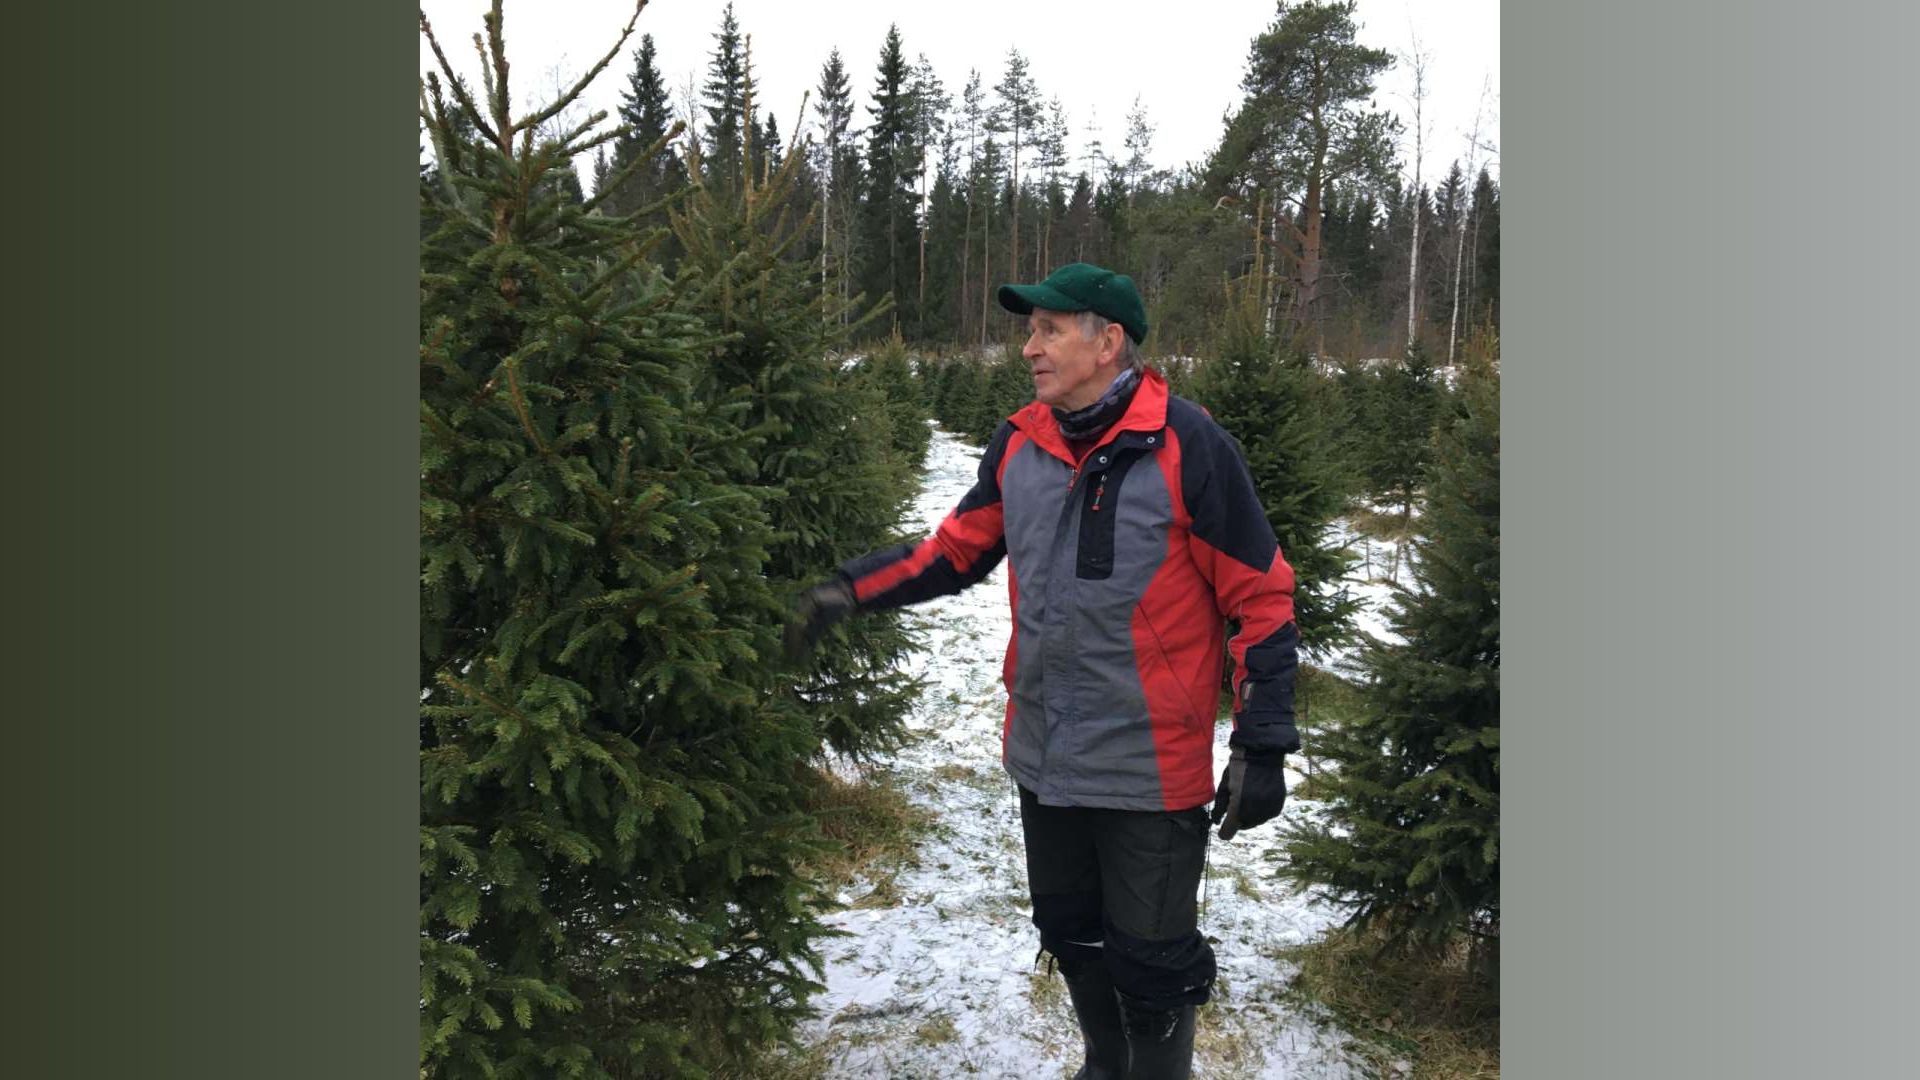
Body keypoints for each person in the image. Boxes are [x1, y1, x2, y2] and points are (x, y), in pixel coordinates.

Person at [786, 262, 1299, 1080]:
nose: (1029, 348)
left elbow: (1261, 594)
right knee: (1070, 930)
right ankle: (1103, 1065)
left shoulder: (1189, 446)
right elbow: (955, 551)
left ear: (1109, 341)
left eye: (1049, 330)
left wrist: (1261, 742)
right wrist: (850, 589)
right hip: (1043, 756)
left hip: (1148, 767)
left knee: (1154, 961)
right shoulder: (1021, 442)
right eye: (1030, 330)